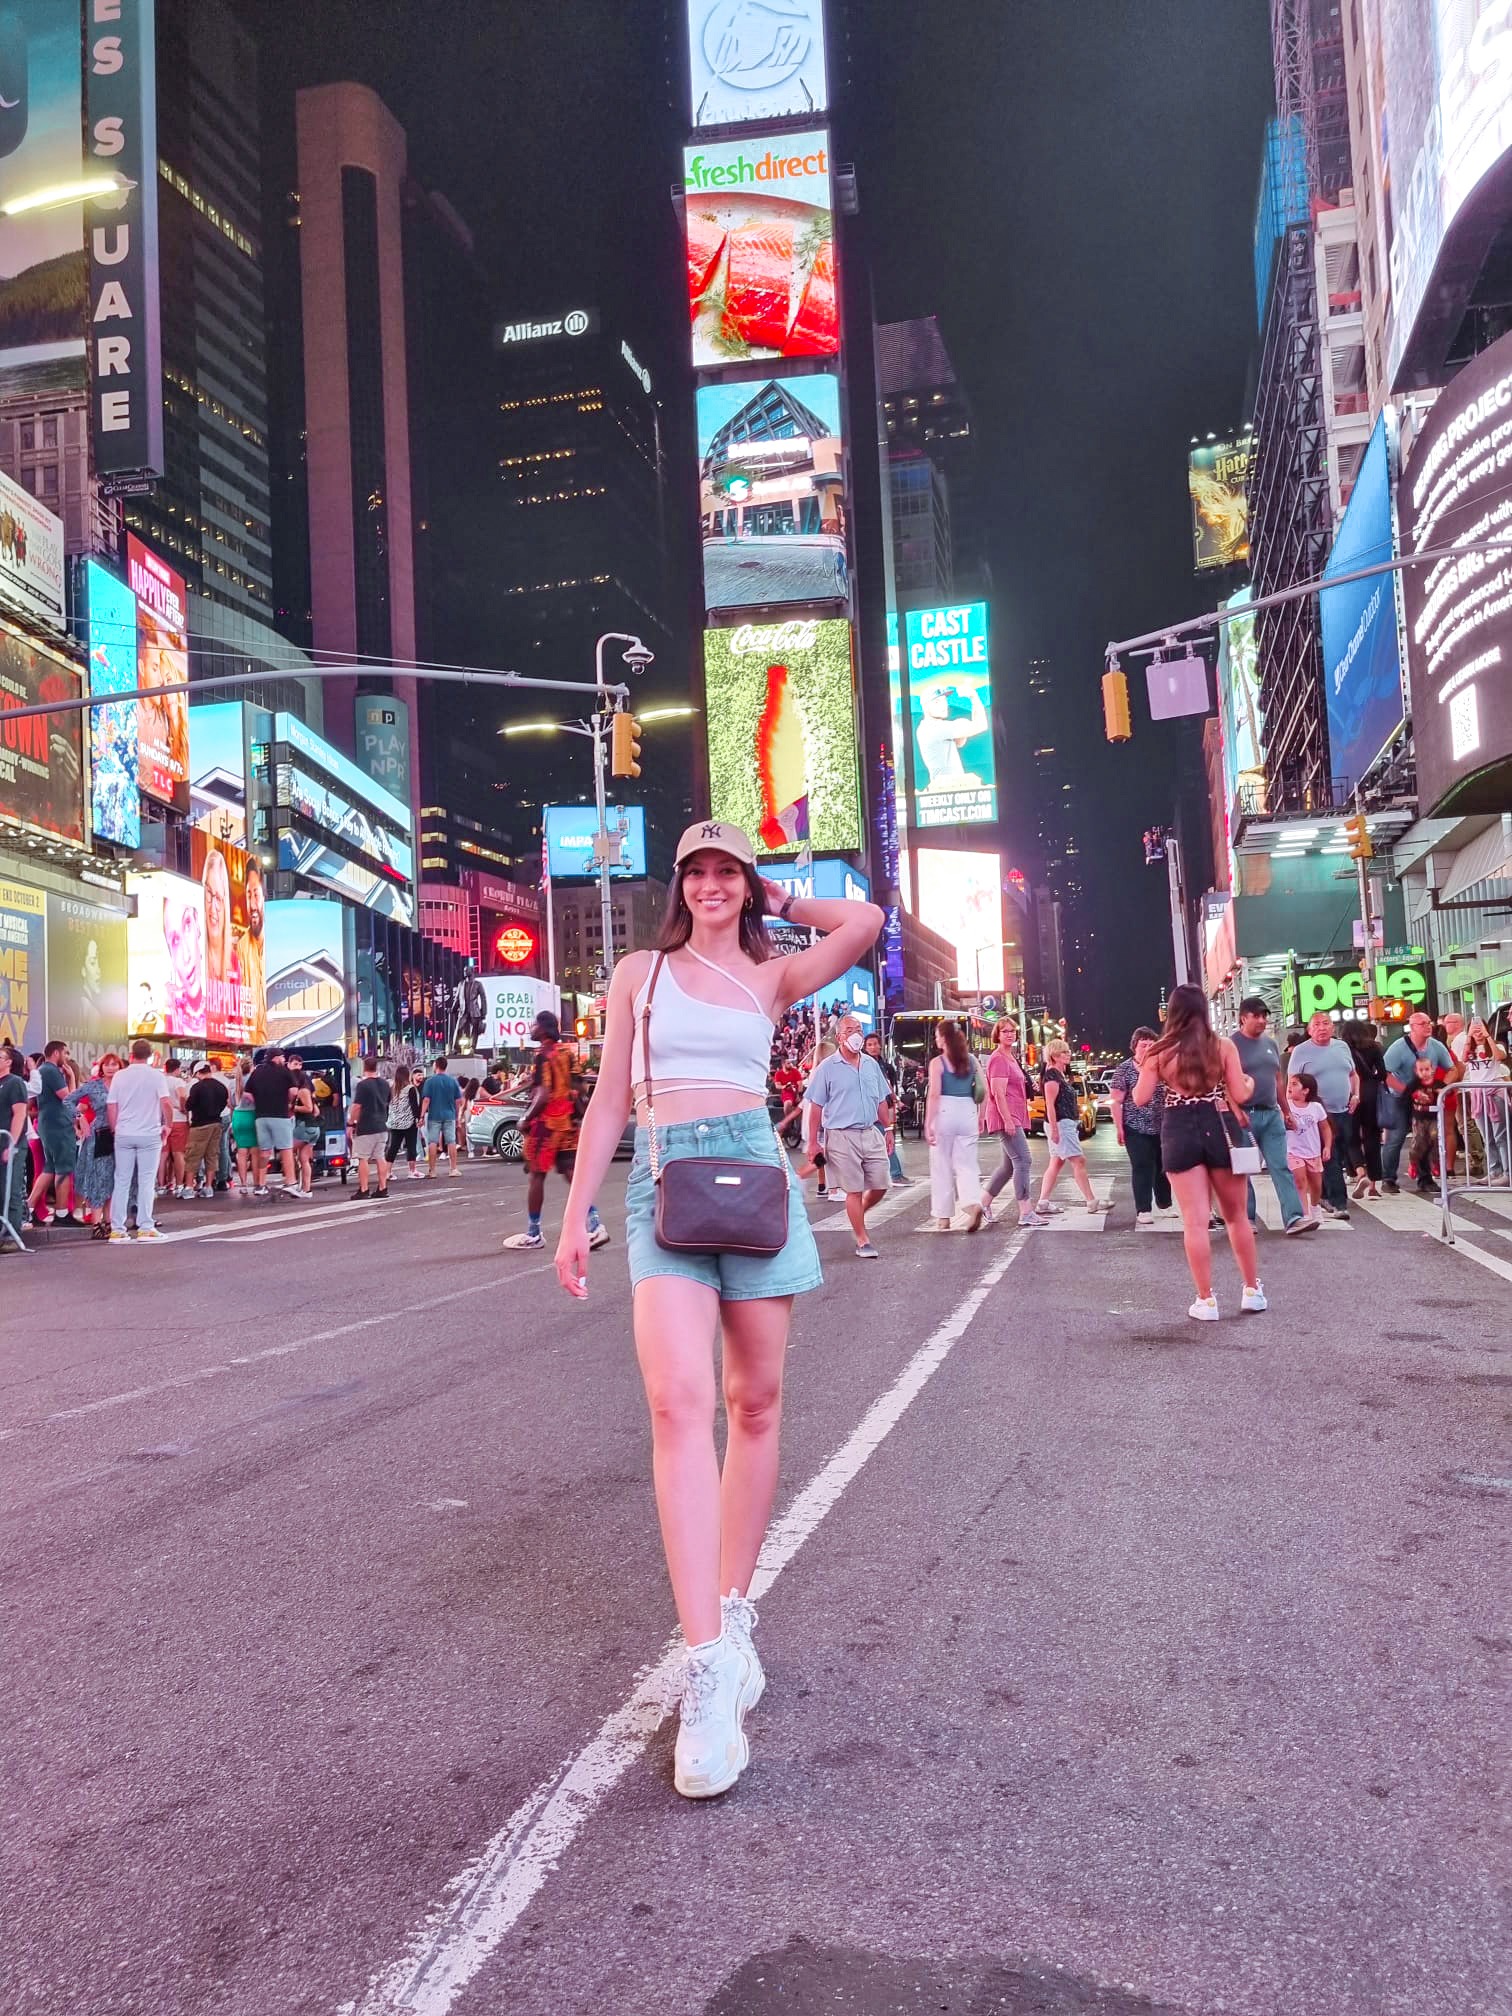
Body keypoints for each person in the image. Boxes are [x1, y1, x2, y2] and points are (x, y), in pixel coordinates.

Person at [552, 818, 883, 1800]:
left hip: (753, 1168)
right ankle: (704, 1668)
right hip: (663, 1180)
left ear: (744, 883)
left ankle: (734, 1613)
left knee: (758, 1403)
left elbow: (863, 919)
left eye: (726, 873)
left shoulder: (771, 976)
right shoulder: (637, 976)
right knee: (677, 1404)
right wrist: (577, 1214)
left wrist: (781, 897)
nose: (710, 887)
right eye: (696, 874)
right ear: (678, 887)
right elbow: (610, 1096)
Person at [1134, 984, 1266, 1322]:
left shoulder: (1159, 1052)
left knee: (1194, 1221)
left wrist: (1149, 1073)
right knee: (1236, 1216)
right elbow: (1241, 1091)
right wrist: (1248, 1084)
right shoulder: (1221, 1046)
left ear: (1173, 1012)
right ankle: (1252, 1290)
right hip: (1216, 1124)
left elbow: (1140, 1098)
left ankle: (1206, 1300)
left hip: (1177, 1129)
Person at [503, 1013, 608, 1252]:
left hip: (547, 1126)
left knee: (537, 1176)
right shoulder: (567, 1053)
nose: (531, 1027)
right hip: (568, 1123)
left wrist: (525, 1118)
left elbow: (543, 1094)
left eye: (534, 1024)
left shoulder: (542, 1055)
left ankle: (534, 1233)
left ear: (543, 1029)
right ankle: (595, 1225)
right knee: (572, 1174)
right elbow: (579, 1087)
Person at [803, 1013, 893, 1258]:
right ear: (840, 1036)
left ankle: (857, 1213)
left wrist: (889, 1128)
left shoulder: (871, 1064)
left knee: (881, 1184)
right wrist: (813, 1142)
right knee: (853, 1189)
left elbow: (882, 1099)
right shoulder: (827, 1068)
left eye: (860, 1030)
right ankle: (862, 1239)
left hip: (869, 1131)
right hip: (841, 1135)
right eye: (851, 1030)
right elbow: (816, 1107)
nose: (857, 1035)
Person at [1231, 997, 1314, 1235]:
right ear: (1243, 1018)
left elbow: (1277, 1079)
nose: (1262, 1020)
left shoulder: (1271, 1044)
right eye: (1256, 1015)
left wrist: (1286, 1110)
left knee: (1281, 1166)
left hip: (1271, 1114)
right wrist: (1236, 1112)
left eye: (1264, 1016)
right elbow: (1224, 1083)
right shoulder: (1231, 1045)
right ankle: (1247, 1218)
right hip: (1244, 1116)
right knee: (1243, 1170)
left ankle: (1294, 1218)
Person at [1285, 1014, 1360, 1218]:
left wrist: (1356, 1095)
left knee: (1341, 1153)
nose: (1322, 1028)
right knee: (1331, 1156)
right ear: (1309, 1030)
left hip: (1344, 1109)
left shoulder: (1342, 1047)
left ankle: (1324, 1194)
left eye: (1326, 1024)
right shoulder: (1301, 1051)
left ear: (1333, 1028)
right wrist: (1289, 1110)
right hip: (1318, 1113)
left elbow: (1353, 1075)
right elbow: (1291, 1082)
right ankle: (1339, 1203)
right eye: (1316, 1025)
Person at [1380, 1011, 1455, 1194]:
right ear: (1412, 1027)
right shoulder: (1399, 1047)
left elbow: (1452, 1068)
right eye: (1422, 1023)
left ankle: (1425, 1178)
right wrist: (1408, 1091)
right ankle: (1388, 1178)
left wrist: (1441, 1086)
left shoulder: (1436, 1046)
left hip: (1425, 1100)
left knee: (1426, 1138)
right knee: (1396, 1138)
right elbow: (1385, 1074)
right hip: (1400, 1097)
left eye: (1429, 1022)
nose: (1428, 1026)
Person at [107, 1040, 173, 1243]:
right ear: (151, 1054)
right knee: (146, 1181)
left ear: (131, 1054)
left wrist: (115, 1128)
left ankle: (117, 1229)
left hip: (124, 1133)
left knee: (122, 1180)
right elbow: (166, 1103)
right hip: (149, 1134)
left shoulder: (119, 1075)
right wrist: (167, 1126)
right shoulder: (156, 1076)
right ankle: (145, 1227)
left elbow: (112, 1105)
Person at [981, 1017, 1043, 1228]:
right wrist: (1007, 1120)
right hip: (1006, 1116)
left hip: (1014, 1113)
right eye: (1005, 1031)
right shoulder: (998, 1058)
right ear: (997, 1035)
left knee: (1009, 1166)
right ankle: (1025, 1212)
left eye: (1012, 1031)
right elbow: (998, 1093)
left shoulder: (1010, 1057)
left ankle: (983, 1203)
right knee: (1023, 1160)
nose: (1009, 1034)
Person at [1033, 1040, 1106, 1218]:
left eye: (1067, 1052)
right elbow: (1049, 1104)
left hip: (1065, 1123)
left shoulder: (1059, 1074)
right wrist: (1055, 1130)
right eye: (1063, 1052)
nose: (1068, 1055)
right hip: (1061, 1123)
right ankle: (1091, 1200)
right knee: (1078, 1160)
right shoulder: (1052, 1075)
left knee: (1056, 1162)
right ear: (1054, 1055)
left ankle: (1043, 1202)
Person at [1109, 1026, 1172, 1227]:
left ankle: (1165, 1202)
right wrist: (1119, 1127)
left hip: (1162, 1126)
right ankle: (1143, 1208)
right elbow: (1117, 1100)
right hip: (1135, 1126)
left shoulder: (1163, 1067)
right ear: (1135, 1046)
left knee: (1163, 1166)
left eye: (1152, 1045)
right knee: (1143, 1166)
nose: (1148, 1049)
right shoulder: (1124, 1069)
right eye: (1144, 1045)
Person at [925, 1020, 985, 1231]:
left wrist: (928, 1123)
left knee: (941, 1166)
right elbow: (982, 1090)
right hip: (968, 1111)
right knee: (966, 1165)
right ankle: (972, 1204)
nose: (936, 1039)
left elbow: (934, 1094)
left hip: (945, 1111)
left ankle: (943, 1217)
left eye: (937, 1035)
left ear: (944, 1038)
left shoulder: (938, 1063)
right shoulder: (971, 1060)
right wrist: (981, 1115)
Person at [67, 1053, 121, 1237]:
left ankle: (109, 1221)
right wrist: (79, 1118)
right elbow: (68, 1100)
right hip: (99, 1134)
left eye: (115, 1064)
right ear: (101, 1067)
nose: (111, 1068)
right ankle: (96, 1224)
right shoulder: (93, 1085)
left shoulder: (125, 1085)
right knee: (98, 1178)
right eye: (107, 1064)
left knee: (114, 1178)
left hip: (121, 1135)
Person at [27, 1039, 79, 1226]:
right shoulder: (51, 1071)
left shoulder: (43, 1071)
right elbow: (70, 1098)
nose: (67, 1058)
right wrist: (72, 1078)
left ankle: (29, 1207)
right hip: (58, 1125)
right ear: (56, 1053)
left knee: (50, 1168)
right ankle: (62, 1213)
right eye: (65, 1053)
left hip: (47, 1124)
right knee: (63, 1168)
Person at [247, 1045, 303, 1199]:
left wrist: (259, 1101)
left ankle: (261, 1185)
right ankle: (291, 1182)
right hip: (280, 1115)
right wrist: (289, 1102)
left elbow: (247, 1093)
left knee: (264, 1152)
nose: (284, 1060)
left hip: (261, 1117)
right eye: (282, 1057)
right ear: (276, 1058)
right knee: (286, 1149)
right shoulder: (284, 1072)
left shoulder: (257, 1071)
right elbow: (293, 1091)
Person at [1459, 1019, 1509, 1181]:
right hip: (1478, 1095)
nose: (1478, 1032)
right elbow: (1463, 1059)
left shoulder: (1497, 1045)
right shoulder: (1470, 1049)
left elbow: (1500, 1056)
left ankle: (1507, 1172)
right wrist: (1469, 1038)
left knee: (1500, 1135)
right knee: (1487, 1136)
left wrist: (1488, 1037)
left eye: (1481, 1028)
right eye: (1474, 1029)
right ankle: (1494, 1170)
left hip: (1495, 1093)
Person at [1344, 1020, 1388, 1197]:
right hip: (1370, 1093)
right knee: (1372, 1137)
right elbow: (1383, 1073)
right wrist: (1372, 1081)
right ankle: (1373, 1186)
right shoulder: (1374, 1047)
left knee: (1351, 1135)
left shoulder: (1343, 1049)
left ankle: (1360, 1171)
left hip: (1350, 1093)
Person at [861, 1032, 908, 1184]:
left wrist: (896, 1101)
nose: (873, 1047)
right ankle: (895, 1173)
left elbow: (888, 1086)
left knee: (886, 1138)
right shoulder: (863, 1064)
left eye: (875, 1044)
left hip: (885, 1106)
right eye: (869, 1045)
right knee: (884, 1139)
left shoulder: (884, 1065)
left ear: (880, 1046)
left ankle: (892, 1174)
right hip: (870, 1108)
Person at [1284, 1071, 1331, 1220]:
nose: (1290, 1086)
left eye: (1294, 1084)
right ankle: (1303, 1214)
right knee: (1300, 1181)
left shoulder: (1315, 1107)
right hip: (1292, 1151)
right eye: (1289, 1083)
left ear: (1306, 1090)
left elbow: (1325, 1128)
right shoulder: (1286, 1106)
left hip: (1313, 1152)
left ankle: (1315, 1207)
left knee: (1316, 1185)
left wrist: (1327, 1146)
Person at [347, 1056, 392, 1199]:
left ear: (364, 1067)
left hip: (366, 1126)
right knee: (380, 1157)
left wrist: (351, 1122)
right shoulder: (385, 1084)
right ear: (376, 1068)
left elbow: (357, 1106)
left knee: (363, 1158)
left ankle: (364, 1189)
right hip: (382, 1125)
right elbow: (388, 1102)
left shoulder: (363, 1085)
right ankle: (383, 1187)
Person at [184, 1061, 228, 1199]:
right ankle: (209, 1187)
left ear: (198, 1073)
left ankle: (189, 1188)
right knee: (212, 1155)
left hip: (199, 1125)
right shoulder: (221, 1087)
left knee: (192, 1156)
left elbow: (189, 1105)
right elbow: (224, 1104)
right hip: (216, 1123)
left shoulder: (197, 1087)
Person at [1, 1044, 30, 1246]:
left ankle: (11, 1234)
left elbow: (20, 1113)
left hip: (10, 1143)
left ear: (9, 1062)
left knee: (10, 1187)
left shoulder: (15, 1083)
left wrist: (11, 1143)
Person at [420, 1055, 464, 1178]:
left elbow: (426, 1100)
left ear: (436, 1066)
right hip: (449, 1115)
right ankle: (453, 1168)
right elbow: (458, 1101)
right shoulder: (452, 1081)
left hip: (434, 1115)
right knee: (451, 1141)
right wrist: (457, 1116)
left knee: (432, 1142)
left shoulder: (430, 1081)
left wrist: (422, 1116)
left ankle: (432, 1170)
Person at [1406, 1055, 1442, 1192]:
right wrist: (1415, 1095)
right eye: (1421, 1070)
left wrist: (1441, 1092)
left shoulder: (1437, 1083)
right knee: (1419, 1141)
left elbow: (1447, 1092)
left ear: (1432, 1069)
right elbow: (1405, 1095)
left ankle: (1435, 1163)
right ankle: (1413, 1162)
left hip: (1433, 1118)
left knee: (1435, 1139)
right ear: (1416, 1071)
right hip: (1419, 1118)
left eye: (1427, 1069)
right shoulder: (1414, 1084)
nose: (1425, 1072)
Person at [287, 1054, 319, 1199]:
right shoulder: (308, 1091)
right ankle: (306, 1189)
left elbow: (309, 1108)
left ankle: (292, 1182)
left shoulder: (303, 1091)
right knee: (304, 1158)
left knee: (287, 1150)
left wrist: (293, 1107)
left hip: (305, 1126)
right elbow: (316, 1110)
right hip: (312, 1127)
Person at [385, 1064, 423, 1179]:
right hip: (408, 1122)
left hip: (394, 1122)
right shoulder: (410, 1088)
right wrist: (418, 1118)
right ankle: (412, 1170)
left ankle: (388, 1172)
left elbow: (387, 1105)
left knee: (393, 1147)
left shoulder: (392, 1088)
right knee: (411, 1145)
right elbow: (414, 1106)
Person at [161, 1056, 191, 1199]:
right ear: (178, 1069)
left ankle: (161, 1185)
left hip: (162, 1120)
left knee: (163, 1154)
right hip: (178, 1119)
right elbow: (182, 1096)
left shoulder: (160, 1080)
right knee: (179, 1153)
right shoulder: (178, 1081)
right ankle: (179, 1184)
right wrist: (183, 1108)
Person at [229, 1085, 258, 1197]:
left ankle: (244, 1185)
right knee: (255, 1153)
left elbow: (230, 1103)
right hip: (252, 1115)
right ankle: (256, 1184)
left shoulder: (233, 1083)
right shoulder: (254, 1080)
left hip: (238, 1116)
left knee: (241, 1152)